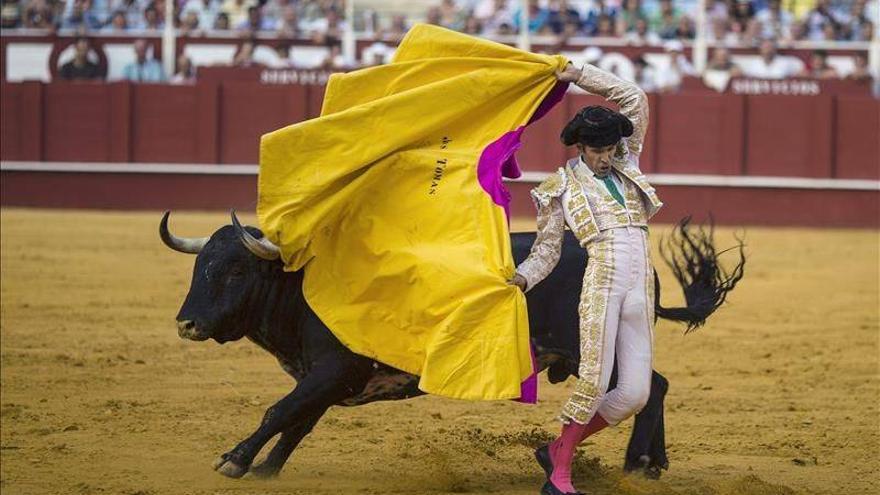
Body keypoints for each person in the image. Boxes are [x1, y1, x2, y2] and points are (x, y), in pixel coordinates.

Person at [511, 61, 662, 495]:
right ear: (579, 146)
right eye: (598, 151)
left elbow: (635, 98)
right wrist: (522, 279)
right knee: (594, 381)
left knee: (635, 393)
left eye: (612, 149)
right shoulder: (557, 187)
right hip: (603, 283)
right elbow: (547, 251)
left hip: (640, 285)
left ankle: (559, 447)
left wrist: (577, 74)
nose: (606, 157)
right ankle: (560, 476)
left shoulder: (625, 161)